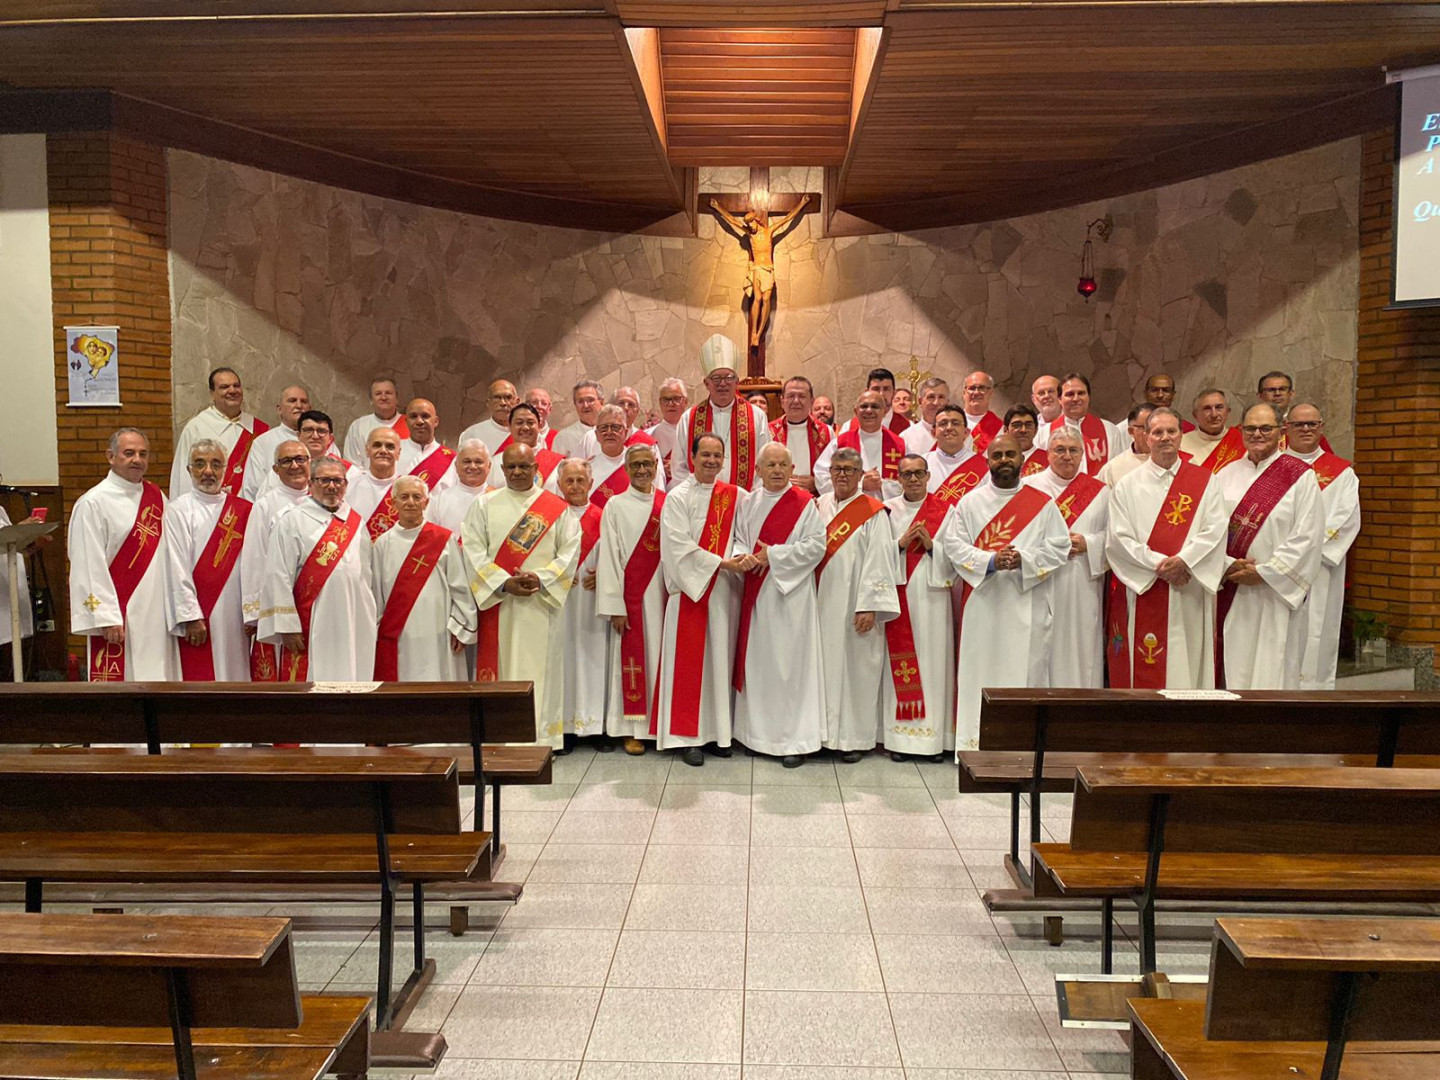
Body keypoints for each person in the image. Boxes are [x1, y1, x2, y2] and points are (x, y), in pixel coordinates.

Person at [941, 435, 1070, 750]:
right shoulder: (970, 502)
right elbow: (953, 545)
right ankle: (975, 742)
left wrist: (1023, 559)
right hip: (983, 603)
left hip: (1027, 602)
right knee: (979, 671)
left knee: (1024, 673)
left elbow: (1060, 546)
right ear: (987, 460)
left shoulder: (1042, 503)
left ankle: (1020, 745)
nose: (1004, 460)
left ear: (1022, 459)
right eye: (997, 455)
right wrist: (990, 560)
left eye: (1010, 453)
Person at [462, 444, 581, 748]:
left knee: (543, 671)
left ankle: (542, 738)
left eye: (523, 466)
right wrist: (503, 583)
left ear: (536, 468)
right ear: (501, 470)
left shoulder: (556, 508)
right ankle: (503, 736)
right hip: (501, 603)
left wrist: (540, 579)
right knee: (503, 665)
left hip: (541, 606)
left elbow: (569, 551)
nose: (517, 472)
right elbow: (473, 549)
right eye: (510, 467)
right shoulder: (484, 505)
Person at [1105, 407, 1228, 689]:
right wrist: (1160, 566)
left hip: (1189, 588)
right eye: (1157, 432)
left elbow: (1216, 529)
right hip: (1147, 588)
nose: (1165, 438)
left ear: (1181, 435)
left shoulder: (1205, 481)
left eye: (1171, 431)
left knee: (1189, 657)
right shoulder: (1127, 485)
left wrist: (1184, 561)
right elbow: (1119, 538)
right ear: (1145, 437)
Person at [654, 432, 749, 766]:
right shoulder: (677, 497)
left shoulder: (736, 495)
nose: (711, 461)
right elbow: (675, 545)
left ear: (724, 460)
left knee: (719, 660)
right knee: (691, 663)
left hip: (725, 591)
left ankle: (720, 734)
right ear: (692, 458)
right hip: (691, 590)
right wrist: (720, 562)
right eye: (704, 455)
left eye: (717, 456)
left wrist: (737, 555)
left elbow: (743, 535)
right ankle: (688, 737)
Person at [1214, 404, 1324, 689]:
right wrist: (1228, 565)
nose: (1257, 434)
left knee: (1272, 664)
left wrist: (1265, 572)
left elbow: (1308, 535)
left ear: (1281, 431)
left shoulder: (1300, 476)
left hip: (1274, 592)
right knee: (1232, 663)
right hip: (1232, 586)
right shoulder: (1225, 475)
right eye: (1250, 428)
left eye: (1266, 428)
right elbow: (1208, 530)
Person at [730, 443, 826, 768]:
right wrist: (744, 556)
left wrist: (772, 556)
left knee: (790, 669)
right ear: (758, 470)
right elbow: (738, 537)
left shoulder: (804, 503)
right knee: (759, 665)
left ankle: (793, 741)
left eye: (782, 465)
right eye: (769, 465)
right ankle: (755, 736)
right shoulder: (749, 501)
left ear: (792, 468)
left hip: (791, 596)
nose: (776, 471)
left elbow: (816, 546)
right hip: (756, 593)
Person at [69, 429, 179, 681]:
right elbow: (88, 564)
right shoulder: (93, 503)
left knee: (159, 677)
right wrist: (106, 617)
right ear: (111, 456)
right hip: (121, 616)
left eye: (143, 454)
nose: (137, 460)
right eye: (129, 453)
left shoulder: (157, 496)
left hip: (158, 612)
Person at [258, 457, 377, 681]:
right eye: (324, 480)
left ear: (346, 485)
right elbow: (277, 574)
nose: (332, 486)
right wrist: (287, 625)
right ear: (311, 484)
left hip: (353, 619)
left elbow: (366, 576)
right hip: (312, 621)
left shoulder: (357, 523)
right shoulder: (292, 520)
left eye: (337, 481)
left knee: (351, 674)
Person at [814, 446, 898, 763]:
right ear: (830, 473)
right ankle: (820, 736)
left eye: (850, 469)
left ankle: (852, 739)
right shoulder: (818, 505)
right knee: (821, 669)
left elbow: (879, 560)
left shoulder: (873, 511)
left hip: (854, 605)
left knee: (855, 669)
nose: (843, 475)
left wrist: (870, 604)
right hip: (820, 604)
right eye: (837, 469)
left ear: (861, 475)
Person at [882, 454, 955, 760]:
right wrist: (900, 544)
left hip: (932, 595)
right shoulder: (888, 510)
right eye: (906, 474)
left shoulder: (946, 510)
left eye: (918, 474)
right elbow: (876, 554)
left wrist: (931, 547)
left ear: (928, 476)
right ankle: (899, 741)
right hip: (900, 596)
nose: (913, 479)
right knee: (898, 663)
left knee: (934, 664)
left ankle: (932, 741)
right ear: (898, 478)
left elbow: (955, 554)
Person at [1024, 428, 1109, 688]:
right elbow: (1019, 535)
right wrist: (1049, 547)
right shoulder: (1029, 487)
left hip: (1080, 583)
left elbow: (1115, 538)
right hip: (1041, 581)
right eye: (1060, 449)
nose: (1067, 456)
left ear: (1082, 454)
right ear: (1048, 453)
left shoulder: (1100, 491)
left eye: (1073, 450)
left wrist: (1089, 543)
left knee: (1080, 647)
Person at [596, 443, 667, 756]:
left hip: (664, 595)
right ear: (625, 469)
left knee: (662, 658)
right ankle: (632, 729)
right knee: (634, 663)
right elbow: (609, 557)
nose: (641, 470)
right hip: (631, 597)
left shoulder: (669, 503)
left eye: (646, 464)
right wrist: (615, 606)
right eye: (635, 465)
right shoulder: (615, 506)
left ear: (655, 465)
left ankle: (660, 725)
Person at [371, 475, 474, 682]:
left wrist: (461, 625)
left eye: (417, 497)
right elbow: (376, 593)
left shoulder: (443, 539)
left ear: (426, 502)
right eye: (404, 497)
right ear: (394, 502)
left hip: (440, 629)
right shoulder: (383, 544)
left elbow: (460, 586)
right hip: (399, 633)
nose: (410, 502)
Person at [1286, 404, 1360, 689]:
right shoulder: (1271, 469)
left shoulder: (1342, 473)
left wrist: (1309, 550)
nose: (1305, 429)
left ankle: (1315, 691)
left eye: (1312, 424)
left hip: (1320, 567)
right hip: (1278, 566)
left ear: (1322, 427)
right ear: (1286, 428)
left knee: (1317, 627)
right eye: (1299, 424)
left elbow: (1347, 518)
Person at [166, 438, 252, 681]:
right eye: (200, 464)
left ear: (226, 469)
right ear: (189, 469)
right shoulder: (178, 510)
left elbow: (254, 566)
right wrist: (190, 616)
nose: (208, 471)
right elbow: (176, 565)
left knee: (238, 674)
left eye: (216, 464)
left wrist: (252, 613)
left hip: (236, 614)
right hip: (201, 613)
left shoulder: (244, 510)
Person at [241, 440, 311, 681]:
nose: (295, 466)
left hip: (314, 604)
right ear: (274, 469)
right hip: (279, 604)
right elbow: (254, 557)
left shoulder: (322, 500)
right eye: (286, 461)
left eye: (301, 459)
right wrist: (255, 612)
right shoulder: (265, 505)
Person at [556, 458, 610, 749]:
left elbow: (618, 555)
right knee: (564, 659)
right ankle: (564, 727)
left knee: (593, 659)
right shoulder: (551, 517)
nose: (575, 486)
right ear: (560, 485)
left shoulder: (604, 516)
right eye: (569, 480)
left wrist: (605, 576)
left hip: (593, 601)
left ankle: (595, 727)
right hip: (561, 602)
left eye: (580, 480)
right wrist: (557, 576)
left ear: (591, 484)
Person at [670, 335, 771, 490]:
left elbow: (765, 461)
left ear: (737, 382)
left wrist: (751, 499)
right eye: (716, 378)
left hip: (744, 503)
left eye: (728, 378)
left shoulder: (756, 417)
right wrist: (695, 495)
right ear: (706, 383)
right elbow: (679, 467)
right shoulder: (689, 418)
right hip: (700, 502)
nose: (722, 383)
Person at [170, 366, 269, 499]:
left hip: (253, 511)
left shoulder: (259, 429)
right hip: (210, 512)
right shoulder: (196, 428)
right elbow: (182, 477)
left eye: (236, 386)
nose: (232, 390)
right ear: (212, 393)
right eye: (224, 387)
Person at [815, 390, 903, 500]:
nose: (869, 411)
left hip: (889, 512)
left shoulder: (900, 445)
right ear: (856, 411)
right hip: (849, 510)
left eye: (875, 406)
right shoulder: (840, 443)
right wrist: (861, 484)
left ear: (884, 411)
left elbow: (910, 483)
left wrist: (882, 486)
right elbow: (821, 477)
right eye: (864, 406)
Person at [1039, 373, 1127, 473]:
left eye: (1081, 393)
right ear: (1059, 399)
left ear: (1088, 397)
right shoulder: (1044, 433)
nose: (1076, 399)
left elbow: (1120, 468)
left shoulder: (1110, 430)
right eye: (1070, 394)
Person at [241, 384, 311, 499]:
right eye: (292, 401)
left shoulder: (322, 442)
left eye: (304, 401)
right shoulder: (263, 442)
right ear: (279, 409)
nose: (299, 405)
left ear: (310, 407)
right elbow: (252, 490)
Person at [768, 375, 831, 493]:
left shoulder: (826, 431)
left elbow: (834, 470)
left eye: (802, 396)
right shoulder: (768, 431)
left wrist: (817, 483)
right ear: (782, 401)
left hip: (814, 500)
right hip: (777, 498)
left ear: (811, 401)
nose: (796, 401)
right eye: (791, 396)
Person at [487, 403, 564, 489]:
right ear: (509, 427)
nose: (525, 427)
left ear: (539, 426)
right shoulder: (495, 463)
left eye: (530, 423)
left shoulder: (558, 465)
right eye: (519, 423)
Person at [924, 405, 988, 503]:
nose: (949, 428)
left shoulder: (985, 467)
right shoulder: (922, 464)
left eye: (956, 423)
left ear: (966, 432)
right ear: (933, 433)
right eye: (943, 423)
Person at [348, 426, 402, 540]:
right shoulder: (349, 487)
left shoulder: (408, 488)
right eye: (377, 445)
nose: (383, 450)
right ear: (367, 451)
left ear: (399, 453)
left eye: (390, 446)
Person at [427, 440, 491, 533]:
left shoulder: (499, 500)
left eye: (478, 462)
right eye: (467, 461)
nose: (473, 466)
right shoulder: (438, 502)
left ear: (489, 466)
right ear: (456, 465)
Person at [343, 377, 409, 463]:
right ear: (371, 400)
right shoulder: (358, 426)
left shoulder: (409, 424)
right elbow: (351, 462)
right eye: (378, 394)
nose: (384, 397)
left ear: (397, 398)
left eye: (388, 393)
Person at [578, 388, 658, 458]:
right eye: (621, 403)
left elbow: (657, 474)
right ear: (611, 406)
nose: (626, 408)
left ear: (637, 411)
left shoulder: (646, 442)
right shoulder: (590, 438)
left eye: (631, 404)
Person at [397, 398, 457, 492]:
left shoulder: (452, 459)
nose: (419, 421)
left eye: (425, 416)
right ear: (406, 421)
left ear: (436, 421)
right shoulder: (393, 452)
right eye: (413, 416)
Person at [1181, 388, 1243, 471]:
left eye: (1219, 407)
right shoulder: (1180, 444)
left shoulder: (1242, 441)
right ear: (1195, 415)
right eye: (1207, 408)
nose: (1214, 414)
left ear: (1228, 411)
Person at [583, 405, 633, 509]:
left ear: (626, 432)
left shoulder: (638, 464)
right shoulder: (587, 469)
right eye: (604, 428)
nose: (609, 432)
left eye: (615, 427)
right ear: (597, 435)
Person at [1097, 403, 1155, 488]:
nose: (1154, 434)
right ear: (1131, 431)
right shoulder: (1113, 469)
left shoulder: (1178, 462)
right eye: (1147, 428)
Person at [839, 368, 911, 435]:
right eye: (876, 389)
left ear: (894, 393)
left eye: (886, 389)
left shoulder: (908, 427)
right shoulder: (849, 427)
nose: (881, 394)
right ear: (867, 392)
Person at [458, 379, 519, 454]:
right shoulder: (472, 434)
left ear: (517, 402)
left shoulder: (527, 433)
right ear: (488, 403)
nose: (503, 403)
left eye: (508, 397)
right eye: (497, 398)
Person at [647, 378, 688, 487]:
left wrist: (677, 468)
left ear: (685, 402)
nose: (671, 404)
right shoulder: (648, 436)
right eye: (666, 399)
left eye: (676, 399)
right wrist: (659, 470)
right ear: (660, 403)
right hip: (659, 494)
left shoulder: (695, 433)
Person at [551, 380, 605, 458]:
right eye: (580, 401)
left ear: (602, 402)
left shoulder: (613, 432)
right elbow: (557, 468)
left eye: (590, 400)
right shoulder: (563, 436)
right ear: (575, 405)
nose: (585, 405)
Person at [900, 378, 950, 455]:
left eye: (941, 397)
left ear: (947, 403)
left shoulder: (958, 434)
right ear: (920, 401)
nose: (936, 403)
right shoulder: (906, 437)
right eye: (931, 397)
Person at [958, 371, 1004, 453]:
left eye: (982, 388)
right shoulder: (951, 422)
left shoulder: (1001, 428)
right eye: (972, 388)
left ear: (990, 393)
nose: (976, 392)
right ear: (964, 393)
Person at [1005, 404, 1050, 477]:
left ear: (1036, 430)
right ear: (1005, 430)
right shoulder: (997, 458)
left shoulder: (1048, 460)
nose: (1023, 430)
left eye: (1028, 425)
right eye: (1017, 425)